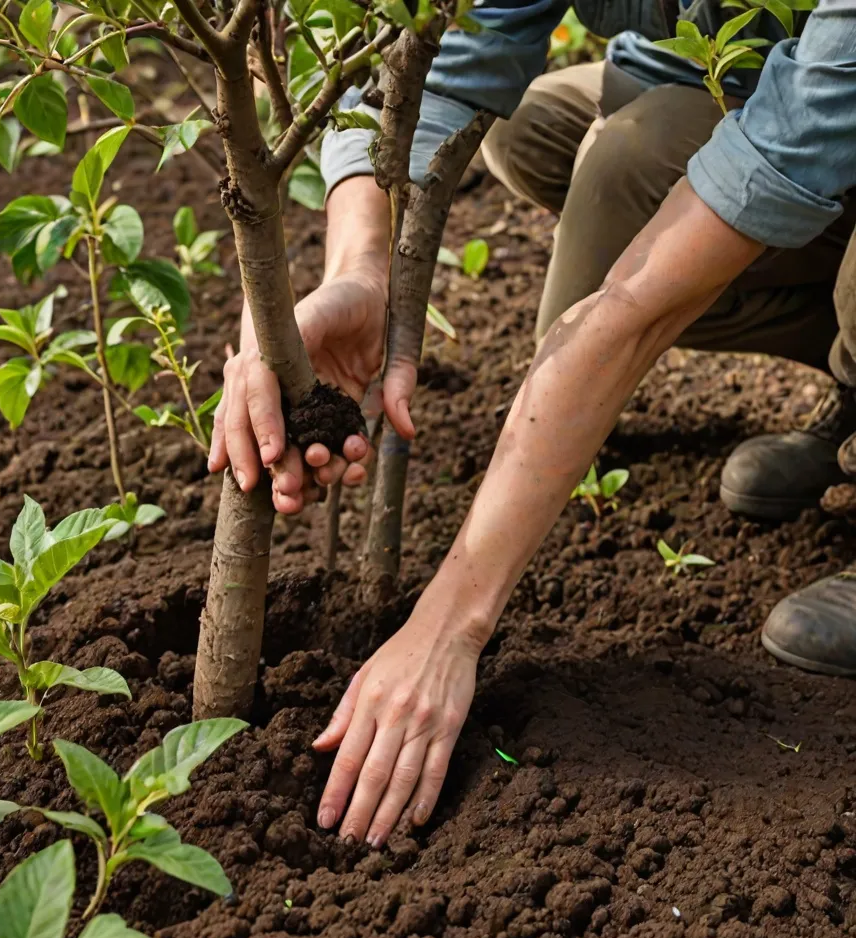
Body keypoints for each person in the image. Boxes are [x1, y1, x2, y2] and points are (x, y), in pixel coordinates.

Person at [208, 0, 856, 845]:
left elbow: (633, 312)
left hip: (829, 84)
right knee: (605, 153)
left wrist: (450, 624)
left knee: (642, 276)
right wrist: (361, 272)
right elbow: (434, 68)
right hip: (779, 80)